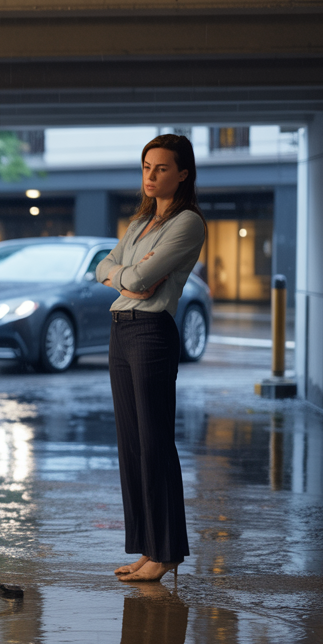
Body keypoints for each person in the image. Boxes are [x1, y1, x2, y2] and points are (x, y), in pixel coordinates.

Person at [95, 134, 207, 584]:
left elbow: (140, 277)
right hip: (120, 331)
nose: (151, 175)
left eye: (161, 168)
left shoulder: (188, 223)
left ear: (182, 173)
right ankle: (148, 548)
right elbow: (106, 266)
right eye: (146, 166)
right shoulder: (140, 224)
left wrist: (125, 277)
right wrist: (125, 279)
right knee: (131, 445)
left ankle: (167, 551)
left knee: (155, 443)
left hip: (151, 334)